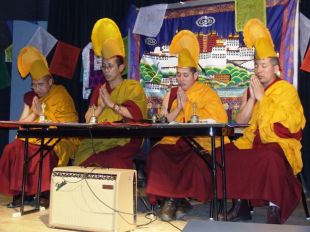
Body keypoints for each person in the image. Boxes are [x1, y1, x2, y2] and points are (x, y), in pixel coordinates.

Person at [214, 19, 306, 224]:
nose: (259, 70)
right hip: (251, 141)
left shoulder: (286, 90)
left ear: (275, 68)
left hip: (280, 144)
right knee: (224, 153)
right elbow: (239, 121)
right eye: (256, 65)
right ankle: (240, 205)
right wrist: (253, 98)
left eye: (264, 66)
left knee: (270, 155)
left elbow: (288, 124)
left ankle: (275, 208)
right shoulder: (254, 90)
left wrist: (263, 98)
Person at [145, 30, 228, 221]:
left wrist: (188, 109)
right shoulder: (176, 96)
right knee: (158, 154)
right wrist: (180, 106)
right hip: (177, 139)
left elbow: (218, 118)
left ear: (196, 75)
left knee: (191, 160)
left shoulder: (207, 93)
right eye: (178, 75)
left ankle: (173, 199)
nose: (181, 79)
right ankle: (175, 200)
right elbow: (170, 120)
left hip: (199, 142)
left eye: (185, 75)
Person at [0, 46, 79, 207]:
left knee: (45, 152)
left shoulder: (60, 94)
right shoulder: (31, 97)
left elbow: (67, 124)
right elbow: (21, 125)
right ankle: (21, 192)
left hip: (56, 138)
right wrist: (35, 113)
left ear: (50, 81)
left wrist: (43, 115)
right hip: (32, 136)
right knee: (13, 148)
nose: (37, 89)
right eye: (34, 85)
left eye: (41, 84)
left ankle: (44, 193)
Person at [73, 18, 147, 168]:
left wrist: (111, 104)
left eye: (110, 66)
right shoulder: (99, 89)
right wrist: (100, 106)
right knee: (82, 157)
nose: (106, 70)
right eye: (104, 66)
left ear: (121, 68)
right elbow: (88, 120)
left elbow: (136, 115)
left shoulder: (132, 87)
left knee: (110, 160)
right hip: (98, 138)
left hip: (125, 138)